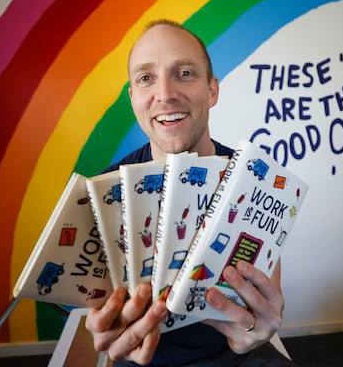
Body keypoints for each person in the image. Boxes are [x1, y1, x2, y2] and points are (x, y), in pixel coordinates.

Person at [85, 19, 296, 366]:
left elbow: (265, 291)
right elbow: (91, 308)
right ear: (133, 97)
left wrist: (259, 329)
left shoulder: (253, 179)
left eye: (184, 73)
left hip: (235, 355)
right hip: (141, 356)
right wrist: (101, 328)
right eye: (145, 78)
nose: (165, 94)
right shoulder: (103, 194)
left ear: (212, 90)